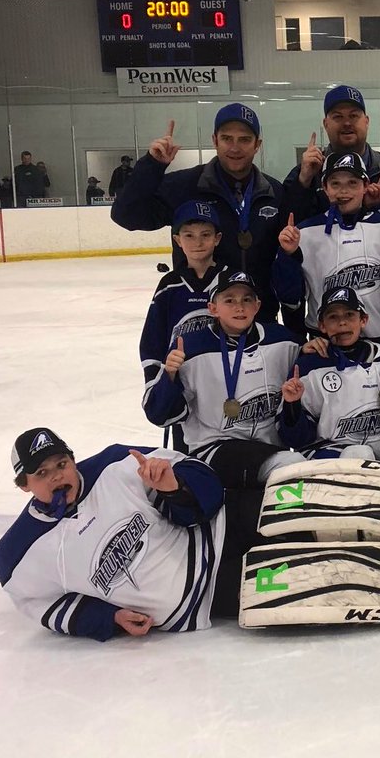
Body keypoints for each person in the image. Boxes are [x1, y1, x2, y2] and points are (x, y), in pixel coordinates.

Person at [0, 427, 227, 640]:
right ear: (24, 485)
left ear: (73, 461)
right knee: (262, 584)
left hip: (219, 536)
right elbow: (39, 603)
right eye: (42, 473)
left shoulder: (115, 464)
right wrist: (108, 617)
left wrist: (176, 487)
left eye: (61, 464)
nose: (56, 476)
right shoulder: (17, 553)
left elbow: (203, 475)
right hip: (209, 597)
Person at [110, 103, 287, 321]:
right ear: (214, 140)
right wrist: (152, 166)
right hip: (198, 316)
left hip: (258, 317)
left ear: (257, 144)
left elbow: (286, 262)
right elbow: (126, 215)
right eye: (227, 138)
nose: (235, 147)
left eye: (244, 139)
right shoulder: (184, 186)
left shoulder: (274, 192)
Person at [142, 270, 302, 488]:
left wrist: (314, 350)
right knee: (292, 466)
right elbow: (158, 416)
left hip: (268, 447)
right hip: (213, 449)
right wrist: (169, 376)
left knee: (299, 469)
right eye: (229, 300)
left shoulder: (283, 341)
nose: (239, 307)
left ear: (257, 305)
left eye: (247, 299)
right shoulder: (190, 348)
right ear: (213, 309)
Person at [278, 286, 380, 461]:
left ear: (363, 320)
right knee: (358, 454)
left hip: (375, 462)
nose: (342, 323)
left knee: (362, 454)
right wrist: (292, 405)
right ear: (322, 325)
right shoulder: (309, 365)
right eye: (333, 317)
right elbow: (295, 439)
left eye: (349, 315)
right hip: (323, 459)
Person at [274, 152, 380, 344]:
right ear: (324, 187)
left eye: (352, 183)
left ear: (365, 186)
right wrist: (288, 255)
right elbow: (290, 299)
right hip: (326, 346)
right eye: (335, 184)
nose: (343, 191)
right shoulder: (305, 233)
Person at [139, 200, 228, 406]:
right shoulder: (169, 285)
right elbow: (152, 339)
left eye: (205, 235)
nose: (198, 242)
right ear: (178, 240)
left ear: (217, 238)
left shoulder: (231, 281)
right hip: (181, 383)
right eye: (189, 235)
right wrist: (157, 380)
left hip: (224, 380)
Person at [281, 84, 380, 220]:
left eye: (353, 115)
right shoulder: (304, 173)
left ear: (366, 121)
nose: (347, 123)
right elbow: (285, 226)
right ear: (325, 124)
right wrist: (304, 182)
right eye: (338, 117)